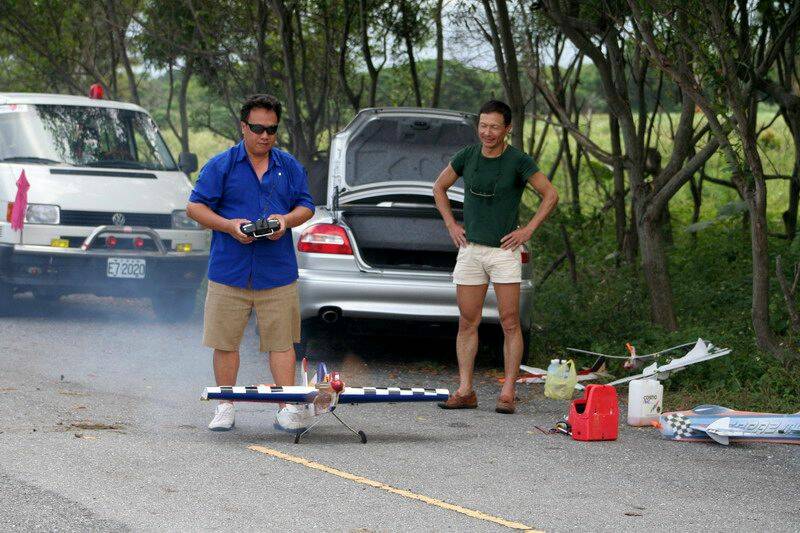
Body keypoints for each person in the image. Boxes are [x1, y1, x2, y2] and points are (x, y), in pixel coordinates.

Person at [187, 94, 315, 432]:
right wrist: (230, 226)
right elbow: (195, 208)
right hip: (230, 268)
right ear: (243, 127)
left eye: (271, 130)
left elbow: (307, 206)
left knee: (282, 342)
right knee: (225, 341)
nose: (264, 136)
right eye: (257, 128)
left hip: (277, 270)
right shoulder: (221, 165)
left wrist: (285, 221)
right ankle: (226, 405)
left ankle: (286, 406)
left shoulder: (288, 166)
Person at [432, 100, 558, 414]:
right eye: (483, 126)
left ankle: (508, 391)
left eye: (494, 127)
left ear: (507, 129)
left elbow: (550, 194)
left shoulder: (518, 160)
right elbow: (439, 187)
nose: (488, 132)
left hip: (504, 251)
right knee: (467, 322)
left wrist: (528, 229)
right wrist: (451, 224)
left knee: (510, 322)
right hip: (471, 250)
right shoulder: (467, 155)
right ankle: (465, 390)